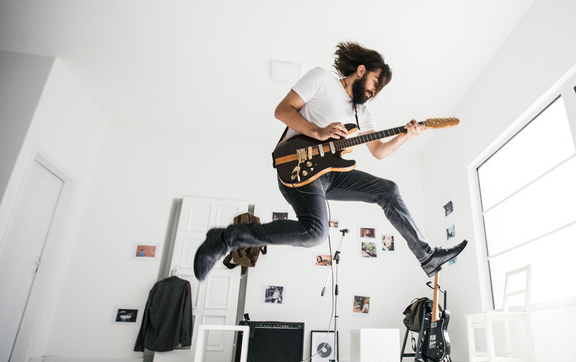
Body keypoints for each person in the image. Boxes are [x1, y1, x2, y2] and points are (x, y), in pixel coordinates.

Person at [194, 42, 466, 281]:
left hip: (330, 173)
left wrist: (406, 137)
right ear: (361, 70)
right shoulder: (322, 79)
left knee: (389, 190)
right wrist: (318, 131)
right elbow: (281, 110)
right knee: (315, 233)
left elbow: (379, 151)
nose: (374, 91)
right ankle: (226, 238)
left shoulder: (363, 113)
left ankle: (427, 256)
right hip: (299, 166)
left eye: (378, 90)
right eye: (375, 83)